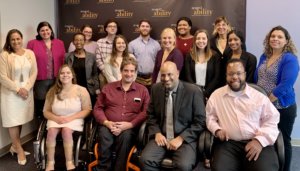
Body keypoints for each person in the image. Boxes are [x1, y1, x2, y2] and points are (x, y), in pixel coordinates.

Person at [206, 58, 280, 171]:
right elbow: (209, 117)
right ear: (226, 76)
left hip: (256, 141)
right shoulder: (216, 95)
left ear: (245, 74)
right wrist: (217, 130)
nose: (235, 77)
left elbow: (272, 120)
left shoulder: (259, 97)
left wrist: (259, 141)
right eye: (231, 74)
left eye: (238, 73)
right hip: (228, 144)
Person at [140, 61, 206, 171]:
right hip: (162, 137)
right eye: (163, 75)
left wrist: (181, 138)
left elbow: (200, 121)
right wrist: (157, 132)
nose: (166, 78)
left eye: (170, 74)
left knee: (183, 166)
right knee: (144, 160)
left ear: (178, 74)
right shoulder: (156, 89)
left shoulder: (193, 91)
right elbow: (151, 115)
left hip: (184, 139)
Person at [254, 26, 299, 171]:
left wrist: (267, 101)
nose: (275, 39)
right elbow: (257, 78)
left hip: (282, 107)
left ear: (286, 41)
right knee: (266, 139)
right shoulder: (264, 56)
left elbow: (286, 85)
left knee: (283, 141)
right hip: (263, 107)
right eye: (273, 36)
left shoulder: (290, 59)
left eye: (280, 37)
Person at [93, 57, 150, 171]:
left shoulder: (142, 90)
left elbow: (146, 112)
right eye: (126, 70)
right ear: (121, 71)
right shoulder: (108, 88)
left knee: (125, 137)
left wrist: (130, 124)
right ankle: (103, 168)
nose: (129, 74)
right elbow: (97, 109)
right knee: (104, 136)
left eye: (132, 71)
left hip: (130, 128)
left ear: (135, 72)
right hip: (108, 125)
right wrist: (107, 123)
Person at [43, 64, 92, 171]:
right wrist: (56, 118)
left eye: (68, 73)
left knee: (66, 130)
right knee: (51, 132)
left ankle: (69, 162)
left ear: (72, 75)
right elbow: (45, 111)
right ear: (59, 76)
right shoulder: (52, 91)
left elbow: (87, 110)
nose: (65, 75)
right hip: (56, 118)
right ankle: (50, 162)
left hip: (74, 119)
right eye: (62, 73)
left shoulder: (81, 90)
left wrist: (70, 118)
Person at [0, 29, 37, 165]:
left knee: (20, 119)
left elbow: (34, 72)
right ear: (9, 41)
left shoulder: (30, 53)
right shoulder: (5, 55)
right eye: (13, 39)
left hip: (26, 91)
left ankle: (15, 146)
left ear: (22, 39)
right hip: (10, 93)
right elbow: (2, 77)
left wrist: (26, 88)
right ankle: (19, 149)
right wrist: (18, 89)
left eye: (18, 38)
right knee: (13, 121)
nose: (16, 41)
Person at [27, 21, 65, 120]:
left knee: (55, 104)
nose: (45, 32)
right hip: (40, 80)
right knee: (41, 104)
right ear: (38, 32)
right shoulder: (32, 43)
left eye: (47, 29)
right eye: (42, 30)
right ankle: (41, 129)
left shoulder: (59, 43)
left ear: (51, 30)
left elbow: (63, 60)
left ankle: (54, 127)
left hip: (56, 79)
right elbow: (28, 62)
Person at [183, 29, 221, 99]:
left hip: (210, 93)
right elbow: (188, 76)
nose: (201, 41)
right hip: (193, 93)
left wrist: (205, 93)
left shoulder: (215, 56)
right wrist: (196, 91)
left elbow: (216, 77)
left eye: (203, 38)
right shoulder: (189, 55)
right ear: (195, 41)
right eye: (198, 38)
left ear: (207, 40)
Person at [65, 32, 100, 105]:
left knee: (89, 111)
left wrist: (96, 88)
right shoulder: (67, 56)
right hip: (72, 89)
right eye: (76, 40)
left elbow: (95, 74)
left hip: (88, 89)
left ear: (84, 41)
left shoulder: (91, 56)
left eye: (81, 40)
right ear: (73, 42)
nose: (78, 42)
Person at [128, 19, 161, 90]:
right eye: (143, 26)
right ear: (139, 28)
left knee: (152, 100)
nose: (145, 28)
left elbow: (159, 62)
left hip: (153, 78)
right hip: (137, 78)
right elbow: (128, 62)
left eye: (147, 26)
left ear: (150, 28)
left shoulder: (156, 44)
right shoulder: (132, 44)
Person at [210, 16, 232, 86]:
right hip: (215, 77)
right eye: (218, 25)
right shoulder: (211, 42)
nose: (221, 27)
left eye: (223, 24)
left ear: (228, 26)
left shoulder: (233, 40)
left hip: (230, 75)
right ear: (215, 27)